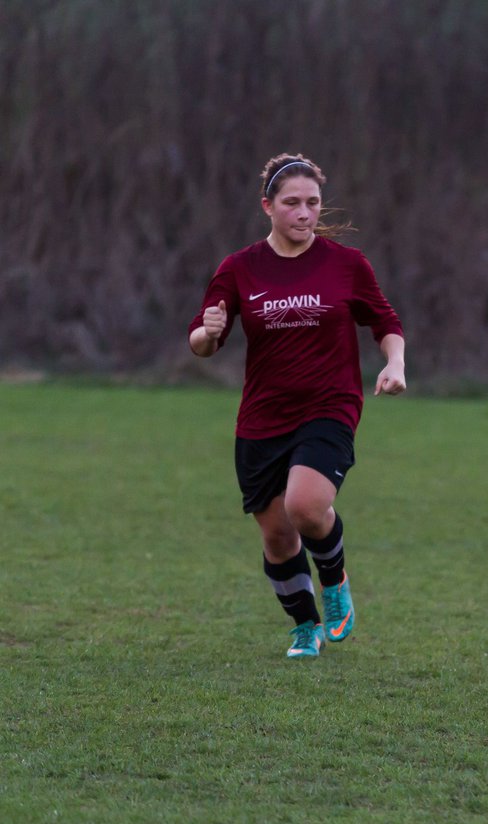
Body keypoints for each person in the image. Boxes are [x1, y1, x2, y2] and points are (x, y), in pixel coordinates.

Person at [188, 153, 406, 659]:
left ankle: (335, 584)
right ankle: (303, 626)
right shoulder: (239, 268)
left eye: (312, 202)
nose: (304, 213)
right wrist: (208, 332)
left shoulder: (346, 264)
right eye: (292, 203)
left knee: (305, 506)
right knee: (280, 539)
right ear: (268, 206)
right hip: (262, 417)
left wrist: (394, 364)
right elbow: (201, 340)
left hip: (329, 405)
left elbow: (386, 322)